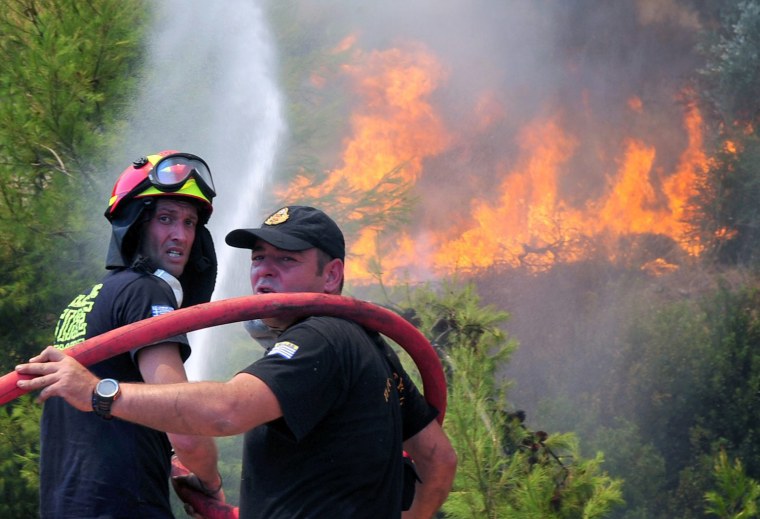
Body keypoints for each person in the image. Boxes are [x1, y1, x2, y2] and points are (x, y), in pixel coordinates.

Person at [17, 205, 457, 519]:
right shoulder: (369, 345)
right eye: (258, 259)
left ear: (332, 275)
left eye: (286, 260)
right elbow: (438, 459)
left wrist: (97, 392)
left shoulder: (321, 336)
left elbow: (226, 410)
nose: (264, 272)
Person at [35, 150, 225, 518]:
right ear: (137, 224)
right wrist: (210, 485)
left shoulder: (83, 304)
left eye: (189, 223)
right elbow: (182, 421)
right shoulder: (146, 292)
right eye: (166, 219)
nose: (181, 235)